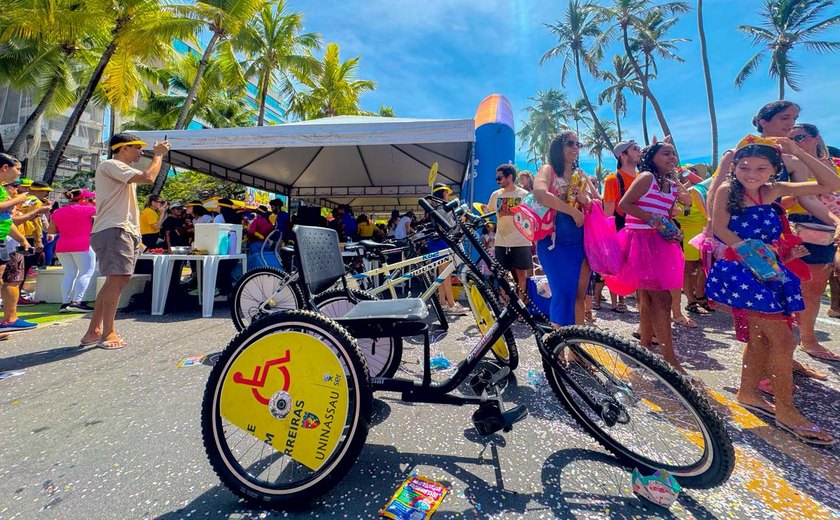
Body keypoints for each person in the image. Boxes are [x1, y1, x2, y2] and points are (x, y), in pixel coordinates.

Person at [706, 135, 838, 446]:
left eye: (761, 168)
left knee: (763, 337)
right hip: (743, 270)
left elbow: (830, 183)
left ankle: (749, 392)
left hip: (770, 269)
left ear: (774, 169)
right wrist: (750, 252)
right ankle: (786, 410)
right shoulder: (727, 190)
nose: (751, 174)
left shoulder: (776, 191)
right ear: (735, 167)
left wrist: (798, 153)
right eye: (744, 167)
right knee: (783, 338)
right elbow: (718, 227)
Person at [80, 132, 169, 350]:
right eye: (137, 147)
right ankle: (107, 333)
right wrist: (158, 156)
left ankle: (94, 331)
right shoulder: (111, 164)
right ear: (123, 148)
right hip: (115, 229)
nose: (141, 152)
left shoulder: (117, 169)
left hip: (117, 229)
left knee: (116, 280)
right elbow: (148, 177)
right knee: (117, 279)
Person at [611, 140, 693, 373]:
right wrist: (651, 218)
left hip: (660, 243)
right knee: (663, 299)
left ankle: (646, 346)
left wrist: (673, 231)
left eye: (673, 154)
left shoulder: (670, 184)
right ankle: (670, 360)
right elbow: (624, 204)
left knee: (648, 298)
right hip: (641, 242)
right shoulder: (646, 177)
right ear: (651, 158)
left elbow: (670, 212)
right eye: (665, 153)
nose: (672, 157)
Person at [785, 123, 840, 363]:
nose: (796, 142)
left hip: (829, 231)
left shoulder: (834, 166)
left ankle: (807, 338)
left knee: (815, 289)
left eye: (800, 137)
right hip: (801, 229)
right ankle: (789, 342)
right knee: (792, 288)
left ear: (816, 137)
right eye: (791, 139)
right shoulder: (792, 164)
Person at [533, 133, 593, 326]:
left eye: (578, 144)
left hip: (580, 242)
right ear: (559, 147)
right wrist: (572, 211)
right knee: (562, 293)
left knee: (578, 295)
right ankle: (558, 344)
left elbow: (597, 202)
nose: (575, 147)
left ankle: (576, 346)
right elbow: (540, 194)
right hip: (554, 243)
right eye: (570, 143)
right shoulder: (548, 170)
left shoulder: (581, 175)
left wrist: (585, 200)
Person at [600, 140, 642, 313]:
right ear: (623, 155)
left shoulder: (643, 177)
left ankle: (643, 312)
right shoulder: (613, 180)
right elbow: (608, 215)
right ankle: (619, 300)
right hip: (622, 232)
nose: (639, 151)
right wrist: (608, 244)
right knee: (620, 270)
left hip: (642, 231)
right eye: (635, 149)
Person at [0, 154, 39, 337]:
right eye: (17, 169)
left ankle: (9, 320)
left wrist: (23, 240)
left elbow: (6, 220)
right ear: (4, 168)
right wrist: (19, 200)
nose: (19, 174)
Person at [488, 164, 533, 301]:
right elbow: (487, 212)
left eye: (500, 178)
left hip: (521, 241)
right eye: (496, 178)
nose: (497, 181)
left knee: (521, 275)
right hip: (501, 241)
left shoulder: (524, 195)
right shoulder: (495, 195)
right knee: (502, 274)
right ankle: (506, 305)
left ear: (510, 177)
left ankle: (521, 307)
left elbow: (532, 216)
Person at [48, 189, 97, 312]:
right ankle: (77, 302)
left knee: (69, 273)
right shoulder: (88, 210)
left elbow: (52, 231)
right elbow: (105, 210)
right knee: (86, 272)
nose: (91, 201)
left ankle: (65, 303)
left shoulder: (57, 212)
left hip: (62, 246)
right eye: (90, 199)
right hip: (82, 245)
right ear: (83, 199)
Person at [426, 183, 468, 315]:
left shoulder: (435, 208)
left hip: (435, 242)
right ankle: (451, 305)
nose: (449, 196)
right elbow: (451, 228)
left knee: (442, 274)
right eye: (447, 193)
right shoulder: (444, 209)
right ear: (444, 193)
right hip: (441, 243)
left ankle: (443, 302)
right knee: (446, 275)